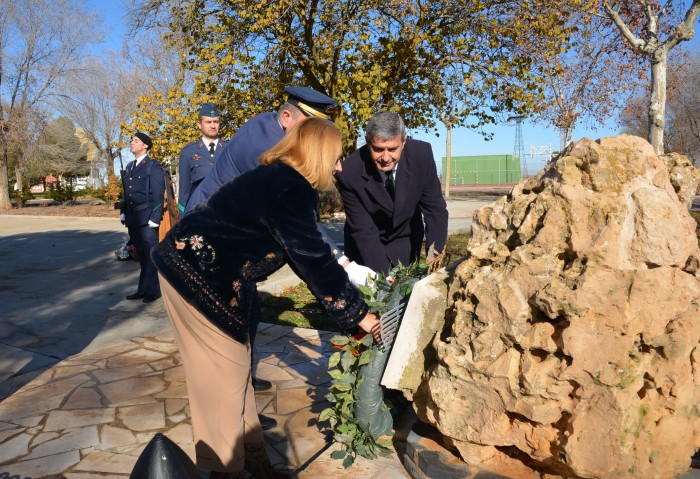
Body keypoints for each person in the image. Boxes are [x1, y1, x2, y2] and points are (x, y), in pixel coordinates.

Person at [151, 117, 380, 479]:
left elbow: (312, 248)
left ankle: (254, 460)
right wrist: (359, 315)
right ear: (318, 154)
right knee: (222, 381)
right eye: (336, 157)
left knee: (237, 373)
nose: (339, 167)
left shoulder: (280, 178)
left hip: (208, 274)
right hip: (196, 278)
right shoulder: (289, 188)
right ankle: (225, 469)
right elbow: (313, 260)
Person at [185, 86, 374, 400]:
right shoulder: (270, 149)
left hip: (225, 247)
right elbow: (300, 235)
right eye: (309, 130)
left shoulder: (269, 129)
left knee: (247, 315)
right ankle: (228, 397)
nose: (336, 165)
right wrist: (346, 271)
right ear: (287, 117)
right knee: (225, 331)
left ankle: (239, 390)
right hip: (208, 246)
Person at [335, 111, 449, 275]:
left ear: (404, 141)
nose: (386, 157)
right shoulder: (349, 172)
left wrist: (434, 255)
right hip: (365, 248)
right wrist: (383, 278)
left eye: (393, 149)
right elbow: (364, 231)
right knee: (374, 296)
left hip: (407, 240)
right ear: (368, 143)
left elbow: (435, 210)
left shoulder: (421, 155)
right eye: (378, 149)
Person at [120, 132, 166, 303]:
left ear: (145, 145)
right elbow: (127, 194)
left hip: (147, 218)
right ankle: (143, 289)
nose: (132, 143)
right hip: (134, 218)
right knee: (141, 255)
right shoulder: (131, 166)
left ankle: (153, 291)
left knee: (150, 255)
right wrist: (123, 212)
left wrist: (156, 216)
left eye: (135, 140)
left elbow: (158, 194)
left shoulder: (153, 166)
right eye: (132, 140)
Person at [177, 103, 227, 213]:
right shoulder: (188, 152)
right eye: (208, 122)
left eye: (216, 122)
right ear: (199, 124)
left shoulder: (230, 148)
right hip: (199, 213)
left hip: (227, 213)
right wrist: (183, 219)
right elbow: (184, 191)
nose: (213, 126)